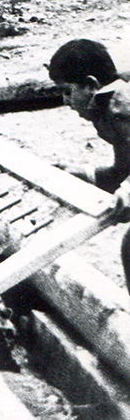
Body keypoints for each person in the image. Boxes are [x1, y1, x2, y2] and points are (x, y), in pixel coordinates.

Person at [48, 38, 130, 292]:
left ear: (92, 85)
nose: (65, 101)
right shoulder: (108, 109)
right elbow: (121, 173)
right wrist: (80, 174)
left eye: (67, 91)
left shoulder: (122, 106)